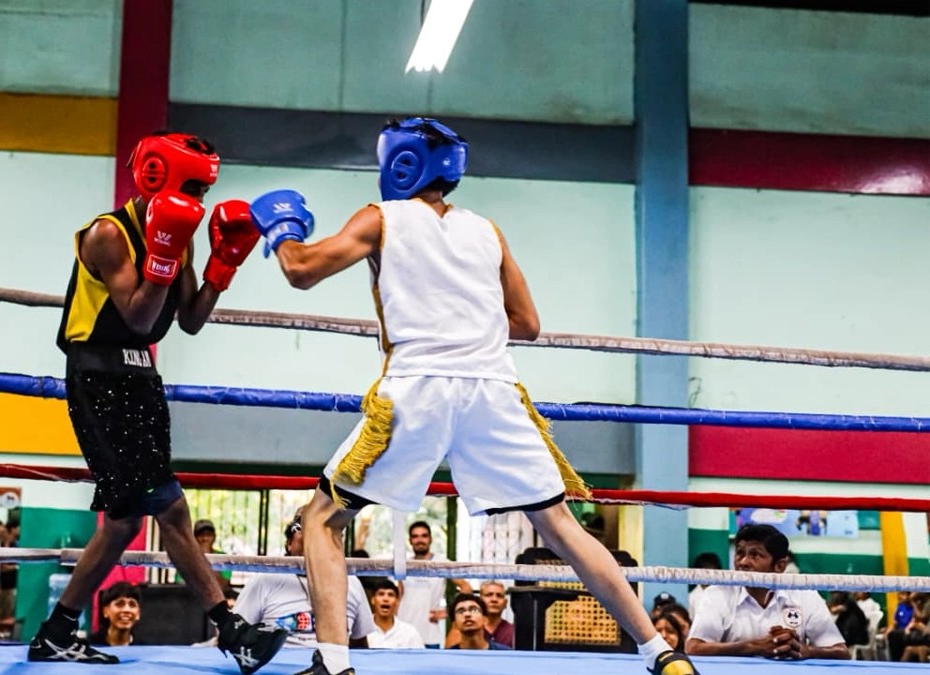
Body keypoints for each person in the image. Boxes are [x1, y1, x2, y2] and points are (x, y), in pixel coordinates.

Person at [251, 116, 698, 675]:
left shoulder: (379, 218)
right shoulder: (487, 230)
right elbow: (528, 324)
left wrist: (282, 227)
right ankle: (662, 653)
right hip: (495, 389)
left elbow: (300, 270)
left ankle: (335, 664)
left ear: (399, 163)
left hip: (418, 390)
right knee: (560, 525)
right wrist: (468, 327)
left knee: (321, 519)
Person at [30, 132, 286, 671]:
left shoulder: (184, 232)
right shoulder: (108, 234)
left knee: (125, 521)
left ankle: (55, 633)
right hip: (101, 379)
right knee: (171, 508)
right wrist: (164, 251)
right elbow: (140, 319)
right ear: (155, 175)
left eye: (202, 187)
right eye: (191, 184)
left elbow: (188, 319)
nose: (197, 196)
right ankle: (232, 630)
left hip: (141, 382)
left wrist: (222, 264)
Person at [686, 524, 847, 660]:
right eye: (740, 553)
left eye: (755, 555)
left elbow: (840, 652)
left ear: (779, 566)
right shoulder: (718, 594)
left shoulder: (804, 595)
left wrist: (806, 651)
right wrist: (753, 646)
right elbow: (694, 648)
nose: (743, 562)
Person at [234, 509, 374, 649]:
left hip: (331, 667)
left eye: (323, 527)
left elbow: (359, 646)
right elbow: (235, 634)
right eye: (304, 527)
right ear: (289, 543)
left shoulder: (351, 582)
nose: (314, 533)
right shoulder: (265, 580)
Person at [398, 521, 471, 648]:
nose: (420, 540)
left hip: (429, 634)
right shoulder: (404, 564)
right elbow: (399, 595)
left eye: (424, 536)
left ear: (430, 539)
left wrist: (449, 611)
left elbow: (466, 587)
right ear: (410, 540)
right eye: (415, 536)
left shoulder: (441, 562)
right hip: (404, 632)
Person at [366, 578, 423, 649]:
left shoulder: (410, 633)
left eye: (390, 595)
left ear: (397, 601)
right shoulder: (362, 631)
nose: (385, 599)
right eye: (381, 594)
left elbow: (420, 659)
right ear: (373, 600)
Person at [447, 594, 512, 651]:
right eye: (460, 612)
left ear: (485, 620)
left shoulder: (505, 654)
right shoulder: (449, 656)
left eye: (474, 610)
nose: (467, 614)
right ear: (454, 625)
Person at [90, 582, 142, 647]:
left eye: (132, 605)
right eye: (120, 604)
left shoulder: (145, 649)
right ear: (105, 611)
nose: (126, 610)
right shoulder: (90, 647)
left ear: (138, 614)